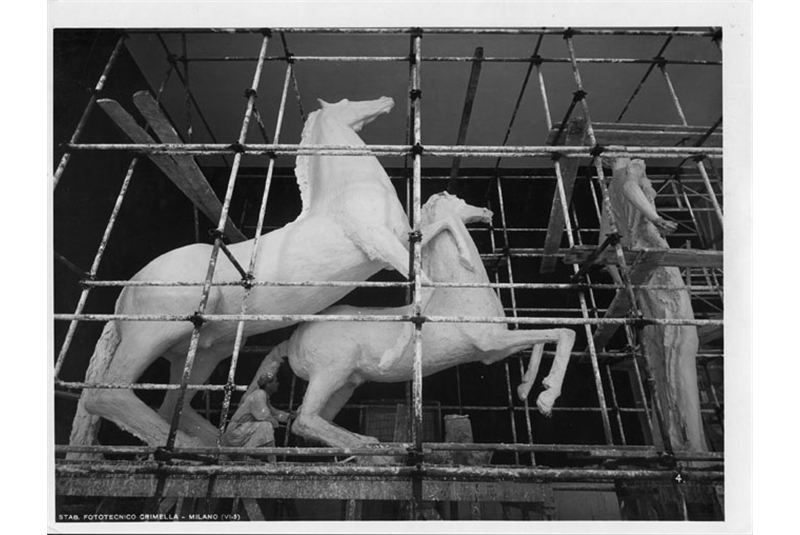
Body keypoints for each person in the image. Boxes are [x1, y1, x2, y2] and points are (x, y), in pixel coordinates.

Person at [221, 372, 291, 461]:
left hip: (242, 431)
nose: (278, 384)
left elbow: (274, 413)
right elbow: (263, 415)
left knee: (267, 427)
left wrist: (290, 416)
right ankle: (246, 455)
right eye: (275, 381)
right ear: (268, 384)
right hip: (236, 432)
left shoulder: (263, 395)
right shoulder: (259, 394)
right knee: (266, 426)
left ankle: (270, 461)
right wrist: (275, 423)